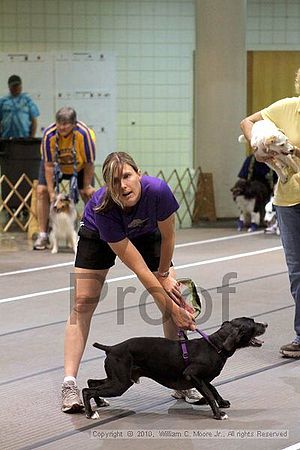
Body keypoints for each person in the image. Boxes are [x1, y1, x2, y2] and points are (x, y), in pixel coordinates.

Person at [61, 151, 200, 413]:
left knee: (172, 295)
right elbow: (138, 269)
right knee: (82, 301)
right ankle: (69, 383)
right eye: (115, 181)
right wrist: (171, 308)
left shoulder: (158, 190)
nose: (123, 185)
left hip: (146, 234)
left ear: (139, 174)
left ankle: (181, 379)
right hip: (98, 234)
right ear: (108, 186)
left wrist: (164, 275)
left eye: (127, 176)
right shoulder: (104, 208)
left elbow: (168, 238)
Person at [240, 67, 300, 358]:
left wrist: (292, 152)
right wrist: (257, 148)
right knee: (297, 271)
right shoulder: (286, 107)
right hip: (289, 200)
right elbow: (247, 122)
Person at [33, 107, 96, 250]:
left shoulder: (84, 134)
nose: (61, 127)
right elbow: (48, 165)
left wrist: (86, 186)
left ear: (74, 124)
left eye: (66, 124)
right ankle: (43, 235)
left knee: (89, 193)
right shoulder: (49, 134)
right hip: (56, 166)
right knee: (41, 190)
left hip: (79, 166)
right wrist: (51, 192)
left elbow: (90, 162)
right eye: (59, 123)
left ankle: (93, 232)